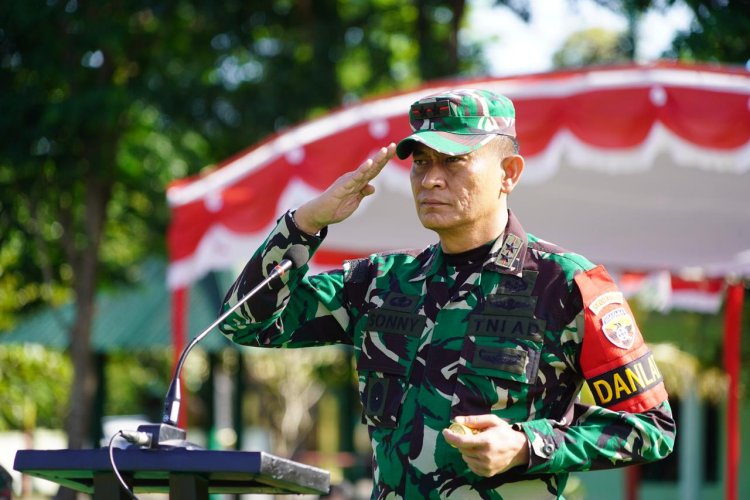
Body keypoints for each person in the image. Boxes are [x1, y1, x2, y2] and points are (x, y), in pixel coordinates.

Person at [219, 89, 676, 499]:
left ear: (508, 173)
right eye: (420, 162)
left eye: (453, 161)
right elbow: (245, 323)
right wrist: (307, 223)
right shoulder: (381, 281)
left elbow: (652, 428)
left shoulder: (567, 284)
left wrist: (526, 444)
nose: (430, 179)